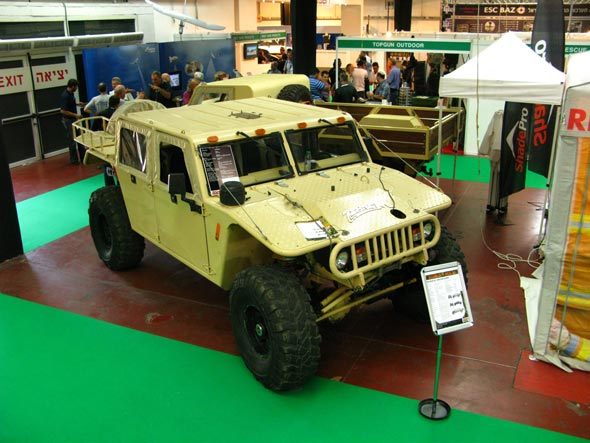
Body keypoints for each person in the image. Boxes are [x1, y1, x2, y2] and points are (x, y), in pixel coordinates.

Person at [59, 78, 84, 165]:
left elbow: (69, 105)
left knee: (79, 138)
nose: (76, 88)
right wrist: (75, 115)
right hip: (68, 120)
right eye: (76, 86)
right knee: (72, 140)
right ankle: (74, 160)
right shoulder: (65, 96)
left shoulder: (70, 94)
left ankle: (82, 157)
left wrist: (77, 104)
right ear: (73, 86)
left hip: (72, 119)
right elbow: (63, 110)